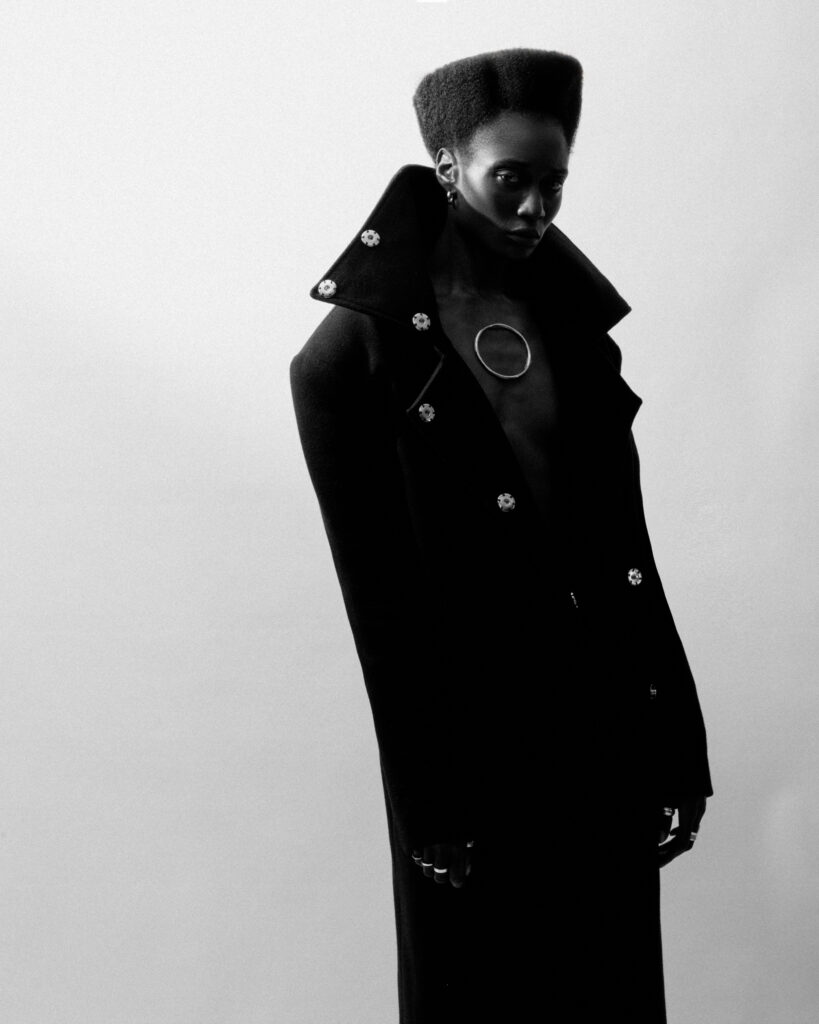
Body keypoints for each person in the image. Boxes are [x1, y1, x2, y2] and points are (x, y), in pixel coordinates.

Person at [290, 48, 713, 1024]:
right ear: (447, 165)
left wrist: (673, 740)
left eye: (553, 182)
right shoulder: (350, 358)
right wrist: (428, 800)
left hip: (603, 721)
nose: (535, 209)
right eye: (510, 179)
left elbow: (624, 556)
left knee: (608, 994)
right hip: (471, 745)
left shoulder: (573, 331)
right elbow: (382, 606)